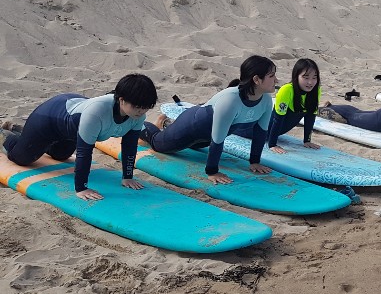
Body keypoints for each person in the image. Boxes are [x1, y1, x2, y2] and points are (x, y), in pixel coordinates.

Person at [0, 74, 158, 201]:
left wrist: (127, 177)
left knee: (60, 155)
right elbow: (84, 152)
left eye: (146, 107)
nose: (141, 111)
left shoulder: (138, 115)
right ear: (122, 100)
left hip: (69, 131)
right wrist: (81, 188)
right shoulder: (97, 112)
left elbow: (130, 145)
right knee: (21, 158)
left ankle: (23, 132)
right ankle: (5, 134)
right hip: (48, 118)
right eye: (137, 106)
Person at [140, 56, 276, 184]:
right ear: (257, 79)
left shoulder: (265, 100)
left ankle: (166, 125)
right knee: (158, 144)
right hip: (191, 128)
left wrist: (254, 162)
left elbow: (260, 132)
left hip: (205, 139)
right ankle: (139, 125)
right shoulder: (230, 100)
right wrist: (212, 172)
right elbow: (218, 140)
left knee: (191, 145)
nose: (276, 80)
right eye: (271, 76)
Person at [264, 58, 324, 153]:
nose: (310, 82)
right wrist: (272, 144)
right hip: (259, 130)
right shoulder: (286, 90)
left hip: (277, 132)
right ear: (296, 76)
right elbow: (277, 119)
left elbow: (310, 116)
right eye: (306, 77)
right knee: (237, 130)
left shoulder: (316, 91)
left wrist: (307, 141)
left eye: (314, 78)